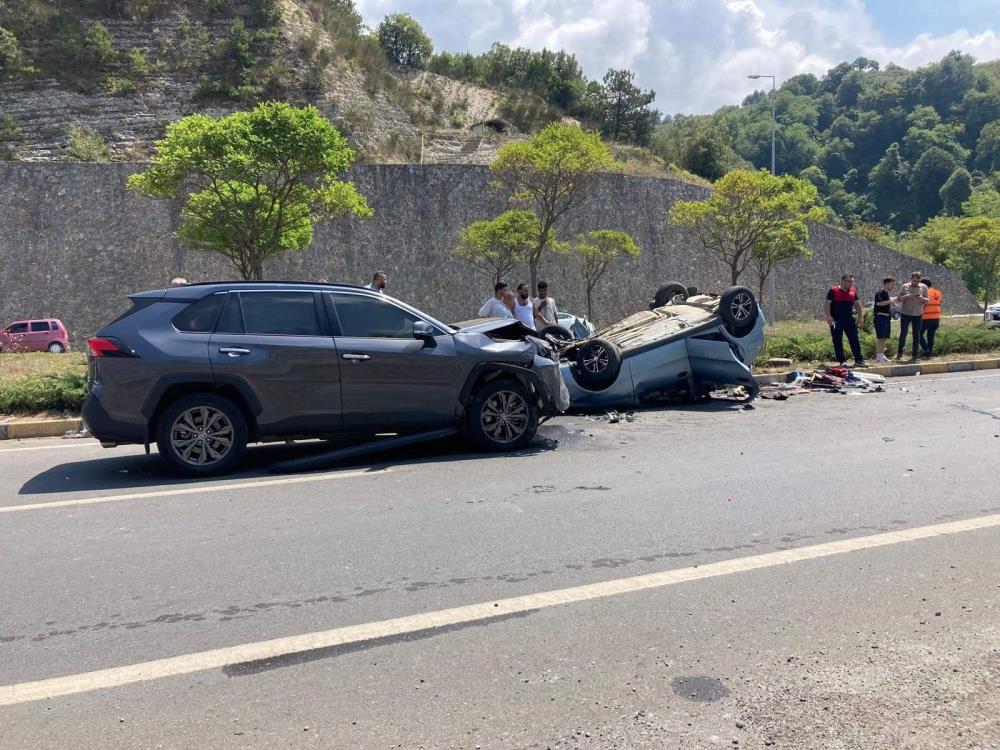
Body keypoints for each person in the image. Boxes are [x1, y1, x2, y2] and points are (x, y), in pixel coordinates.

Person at [824, 274, 867, 367]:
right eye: (849, 281)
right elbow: (827, 304)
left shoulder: (853, 291)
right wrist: (828, 316)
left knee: (854, 339)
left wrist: (860, 317)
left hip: (849, 319)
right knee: (837, 340)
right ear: (842, 281)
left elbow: (857, 304)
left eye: (852, 281)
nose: (851, 283)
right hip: (836, 320)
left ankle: (859, 360)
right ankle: (842, 361)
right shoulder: (833, 290)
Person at [895, 271, 929, 361]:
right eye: (914, 280)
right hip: (906, 313)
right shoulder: (904, 286)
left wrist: (922, 298)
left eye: (918, 281)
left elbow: (927, 300)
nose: (916, 282)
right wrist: (907, 296)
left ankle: (914, 355)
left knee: (916, 334)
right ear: (911, 279)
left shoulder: (924, 287)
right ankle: (899, 353)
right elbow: (898, 299)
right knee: (903, 333)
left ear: (920, 280)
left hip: (918, 314)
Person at [873, 277, 896, 363]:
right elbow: (879, 303)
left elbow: (887, 303)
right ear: (886, 284)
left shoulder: (887, 294)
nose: (893, 286)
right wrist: (890, 301)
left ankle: (882, 355)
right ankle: (879, 357)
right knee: (880, 338)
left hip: (886, 318)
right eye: (892, 284)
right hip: (880, 318)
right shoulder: (879, 293)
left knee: (884, 338)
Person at [920, 279, 942, 358]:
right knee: (931, 335)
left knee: (917, 334)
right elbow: (939, 303)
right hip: (936, 318)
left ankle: (926, 349)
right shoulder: (938, 292)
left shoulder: (924, 292)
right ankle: (928, 354)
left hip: (926, 317)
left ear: (923, 285)